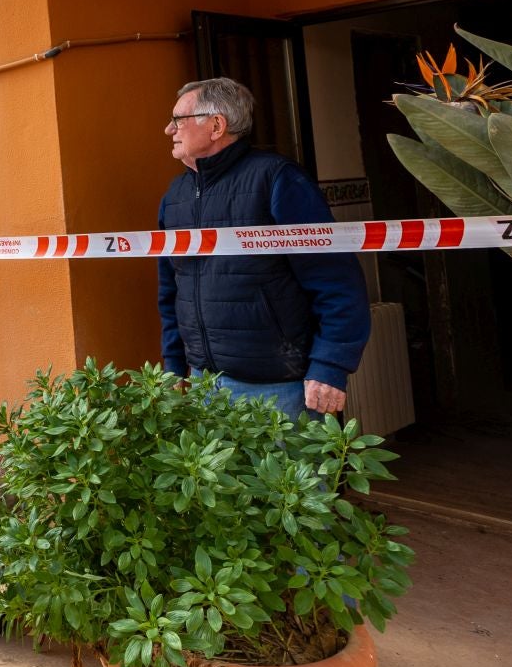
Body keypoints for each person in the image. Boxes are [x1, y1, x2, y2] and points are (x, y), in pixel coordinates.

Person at [157, 77, 369, 418]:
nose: (169, 129)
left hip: (280, 389)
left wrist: (330, 365)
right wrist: (173, 365)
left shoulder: (278, 179)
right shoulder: (175, 196)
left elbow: (336, 280)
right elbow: (171, 289)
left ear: (216, 125)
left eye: (179, 119)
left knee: (294, 474)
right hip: (203, 385)